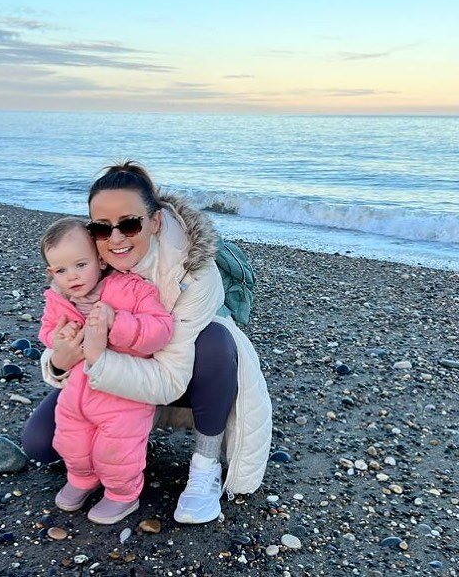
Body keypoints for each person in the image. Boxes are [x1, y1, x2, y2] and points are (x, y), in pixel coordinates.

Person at [22, 161, 272, 524]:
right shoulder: (88, 261)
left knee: (216, 341)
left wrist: (99, 358)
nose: (117, 238)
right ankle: (116, 443)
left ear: (154, 222)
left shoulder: (193, 274)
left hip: (187, 379)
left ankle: (204, 466)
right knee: (40, 445)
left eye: (130, 224)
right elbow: (59, 334)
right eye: (102, 228)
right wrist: (60, 361)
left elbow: (170, 378)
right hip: (106, 385)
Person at [38, 217, 173, 524]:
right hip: (76, 392)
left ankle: (122, 495)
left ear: (99, 259)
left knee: (117, 450)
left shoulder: (132, 289)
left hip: (123, 393)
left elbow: (160, 329)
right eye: (61, 270)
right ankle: (82, 478)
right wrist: (58, 341)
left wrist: (118, 322)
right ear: (51, 273)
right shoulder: (59, 300)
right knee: (72, 441)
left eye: (80, 265)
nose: (72, 276)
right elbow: (46, 332)